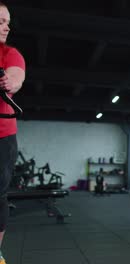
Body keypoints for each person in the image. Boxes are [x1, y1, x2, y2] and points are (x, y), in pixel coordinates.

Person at [0, 2, 26, 264]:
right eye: (1, 21)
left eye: (8, 21)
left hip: (2, 135)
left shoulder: (10, 53)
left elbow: (16, 76)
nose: (7, 26)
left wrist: (11, 82)